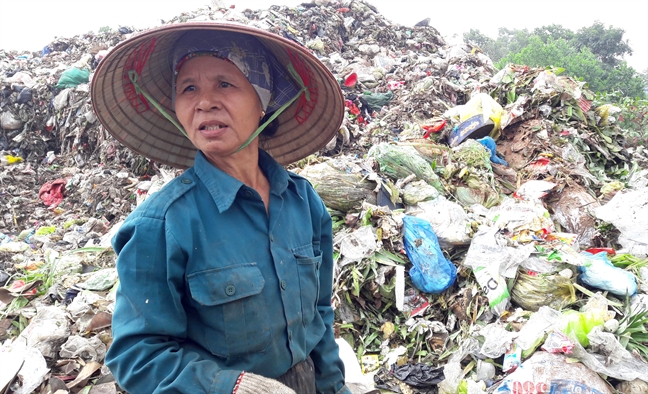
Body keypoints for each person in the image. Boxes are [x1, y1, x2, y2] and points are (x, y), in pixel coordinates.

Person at [91, 21, 350, 394]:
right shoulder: (161, 224)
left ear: (263, 102)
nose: (204, 102)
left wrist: (334, 387)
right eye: (188, 88)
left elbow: (319, 317)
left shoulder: (302, 201)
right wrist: (230, 386)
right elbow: (137, 355)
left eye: (225, 84)